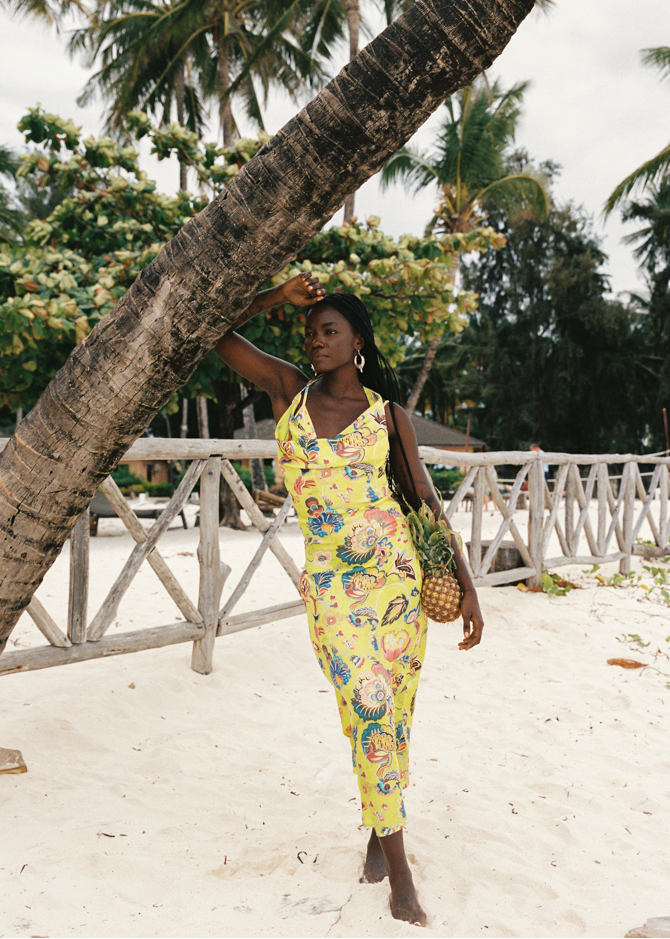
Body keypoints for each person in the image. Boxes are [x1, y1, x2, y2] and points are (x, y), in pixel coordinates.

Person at [214, 273, 485, 927]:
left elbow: (419, 495)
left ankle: (376, 829)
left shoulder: (387, 414)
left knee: (393, 715)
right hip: (333, 593)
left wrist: (467, 582)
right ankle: (401, 876)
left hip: (399, 581)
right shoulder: (288, 392)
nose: (315, 341)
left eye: (328, 330)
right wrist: (277, 296)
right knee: (367, 710)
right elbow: (213, 330)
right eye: (310, 331)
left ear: (356, 339)